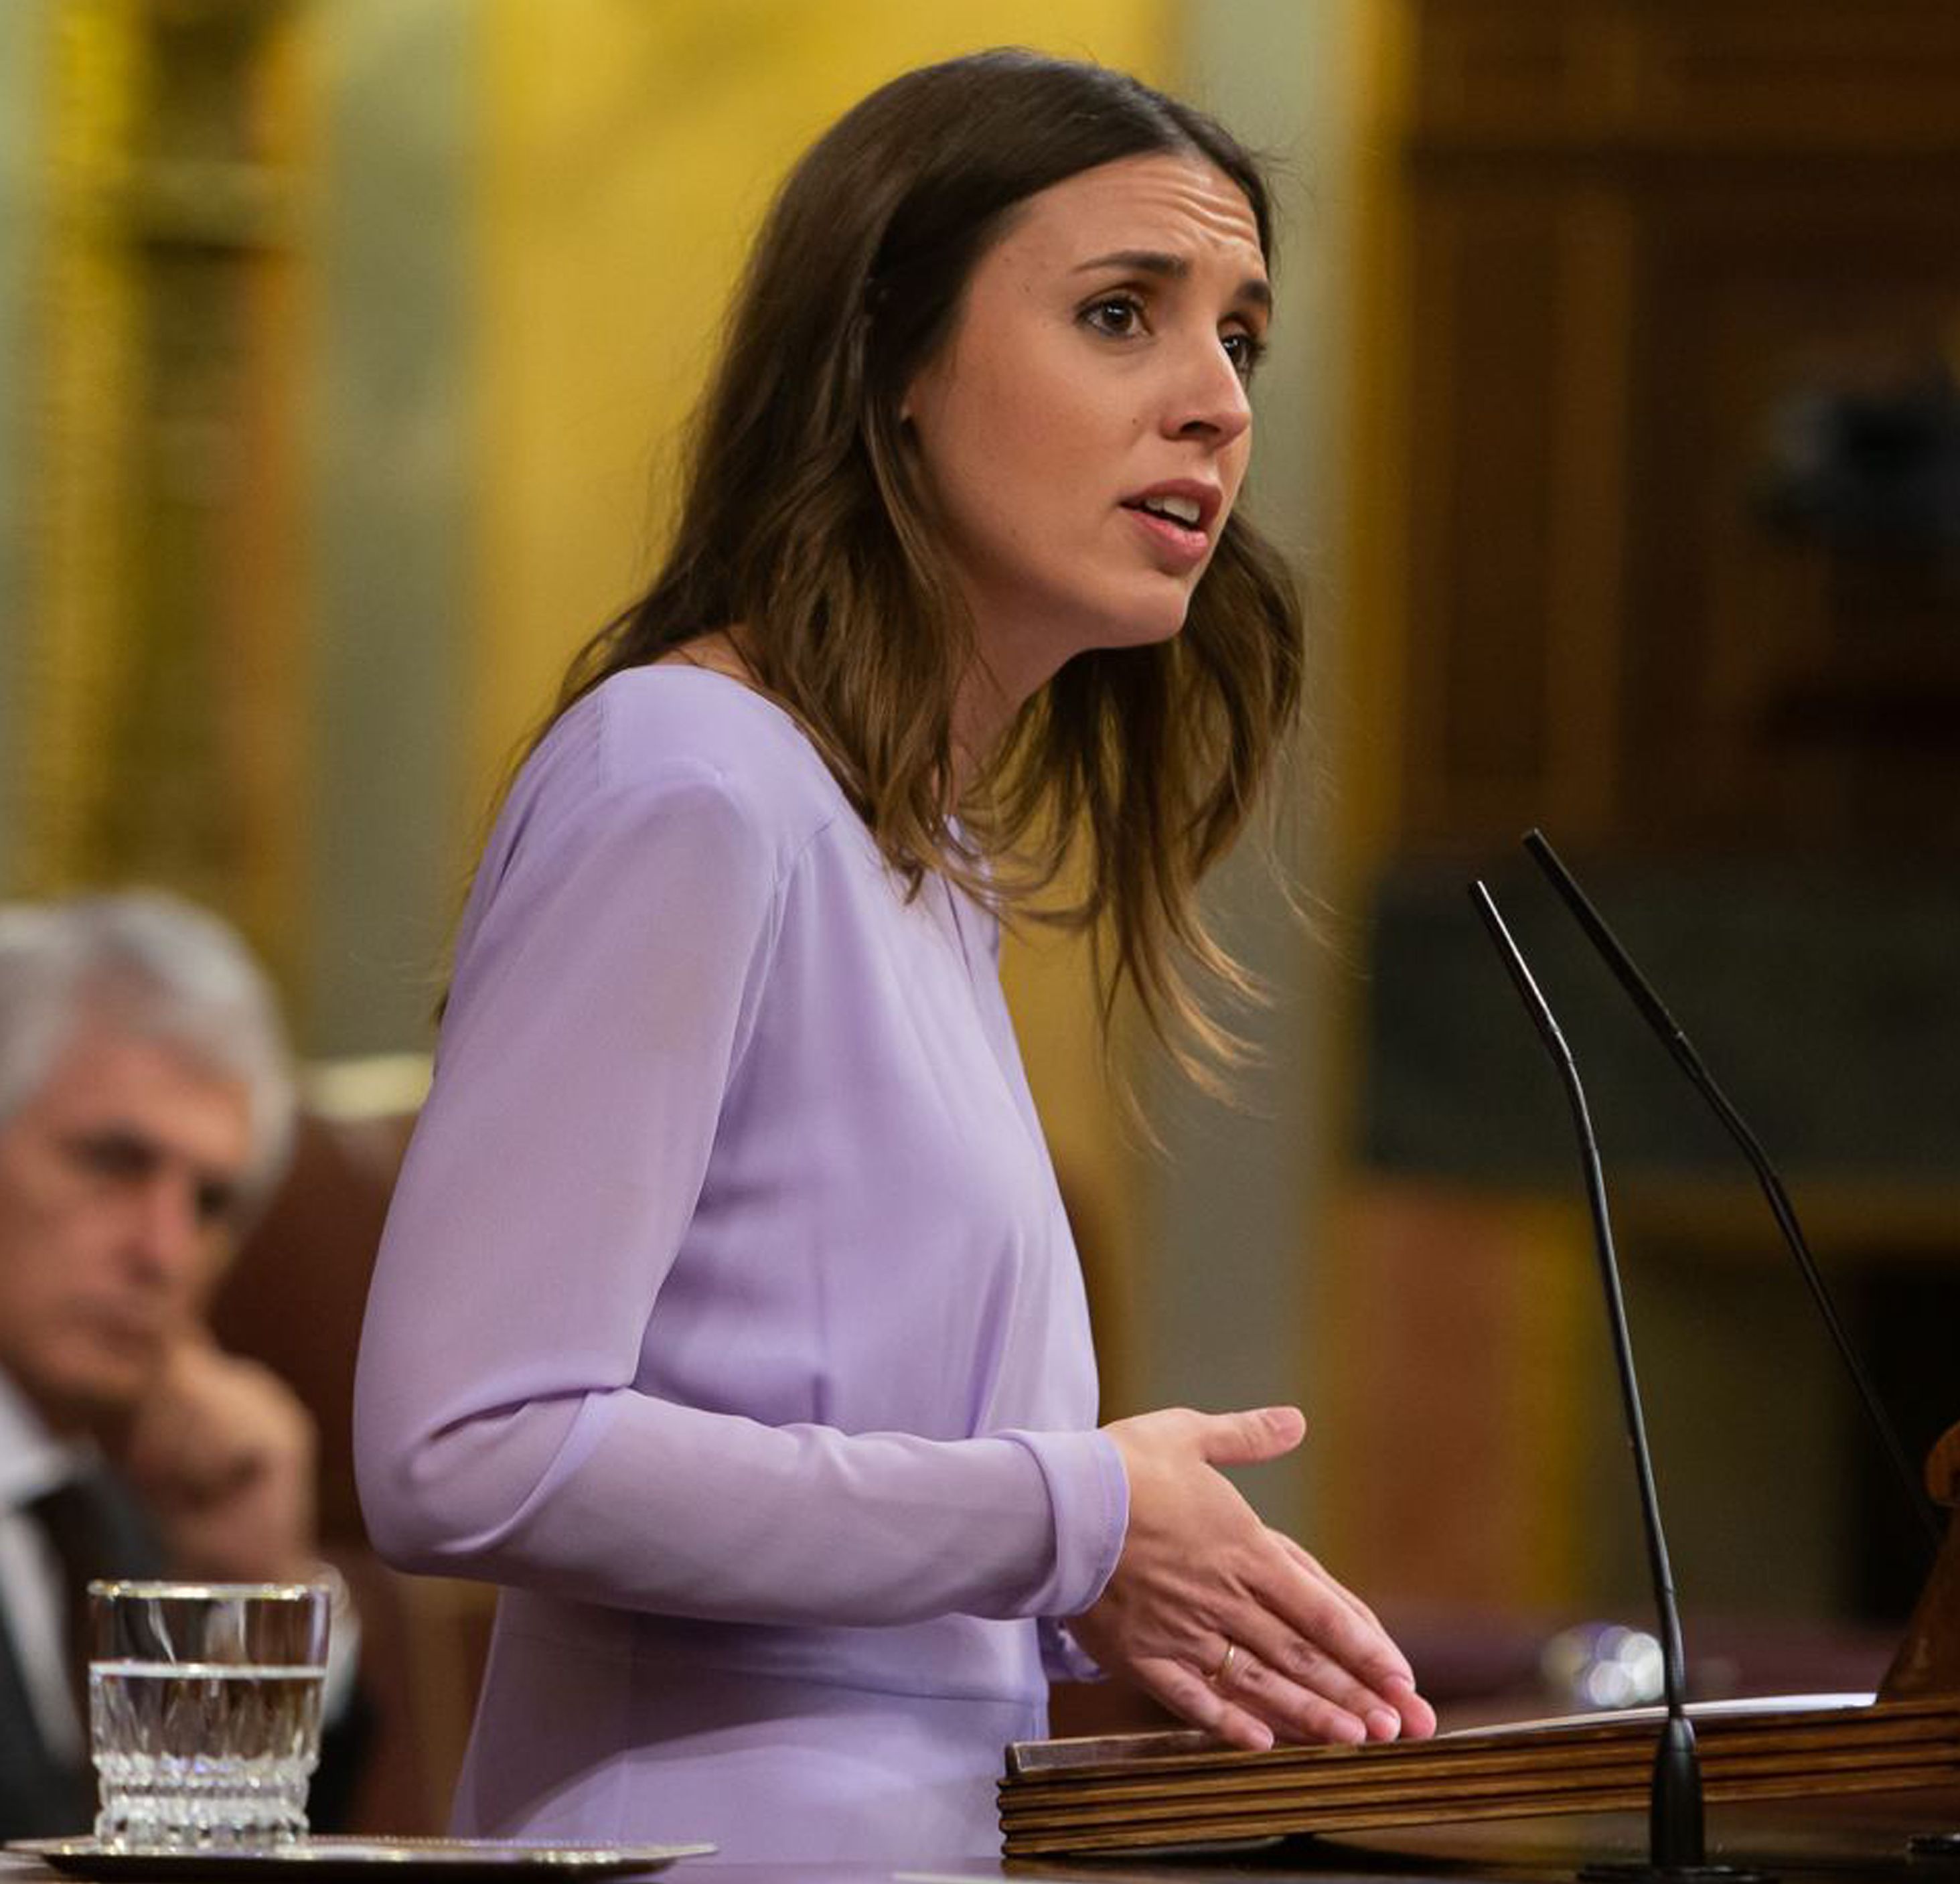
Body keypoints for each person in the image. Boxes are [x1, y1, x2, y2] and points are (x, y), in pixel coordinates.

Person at [352, 47, 1436, 1865]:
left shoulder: (914, 854)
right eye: (1119, 314)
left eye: (1241, 339)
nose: (1214, 403)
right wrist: (1064, 1517)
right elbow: (465, 1442)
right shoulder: (689, 776)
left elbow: (869, 1498)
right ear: (888, 359)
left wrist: (1093, 1570)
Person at [0, 890, 357, 1834]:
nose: (165, 1251)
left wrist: (251, 1593)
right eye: (114, 1161)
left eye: (209, 1203)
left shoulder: (135, 1510)